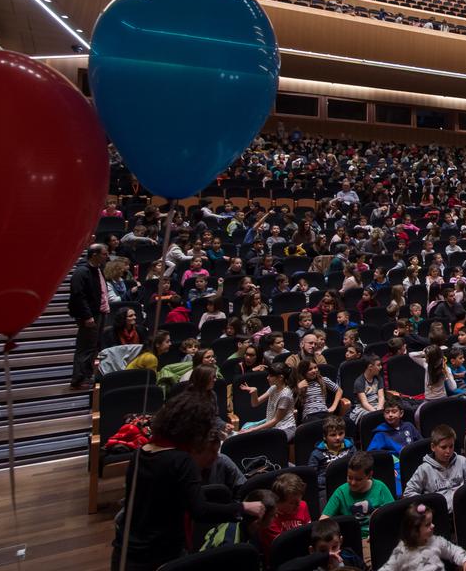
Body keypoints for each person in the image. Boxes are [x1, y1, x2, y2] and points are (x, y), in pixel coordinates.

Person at [111, 392, 266, 571]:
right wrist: (243, 508)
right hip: (160, 554)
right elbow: (199, 510)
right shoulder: (181, 460)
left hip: (127, 549)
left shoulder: (142, 452)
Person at [382, 502, 466, 571]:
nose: (433, 526)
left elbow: (454, 551)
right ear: (414, 530)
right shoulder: (402, 551)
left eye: (431, 522)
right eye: (427, 525)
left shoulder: (435, 541)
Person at [404, 425, 466, 511]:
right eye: (443, 447)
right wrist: (428, 504)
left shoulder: (461, 461)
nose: (448, 451)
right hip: (439, 515)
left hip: (464, 509)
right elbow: (408, 493)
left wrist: (465, 493)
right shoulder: (424, 469)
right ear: (433, 447)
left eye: (451, 446)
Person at [321, 451, 394, 540]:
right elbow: (323, 521)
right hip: (351, 539)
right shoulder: (341, 492)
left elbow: (392, 517)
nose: (353, 483)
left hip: (377, 537)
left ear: (369, 475)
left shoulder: (380, 488)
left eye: (358, 479)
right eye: (349, 477)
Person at [70, 243, 110, 388]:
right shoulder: (82, 272)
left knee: (93, 347)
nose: (107, 257)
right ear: (94, 254)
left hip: (99, 313)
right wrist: (87, 316)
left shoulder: (97, 270)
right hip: (90, 315)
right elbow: (78, 296)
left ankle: (87, 376)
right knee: (85, 348)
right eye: (104, 254)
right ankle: (78, 379)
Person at [238, 362, 297, 438]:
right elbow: (255, 403)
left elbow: (276, 420)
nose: (267, 377)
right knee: (246, 431)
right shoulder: (273, 388)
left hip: (285, 429)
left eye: (270, 375)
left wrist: (253, 430)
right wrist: (254, 392)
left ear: (280, 377)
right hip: (274, 425)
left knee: (253, 436)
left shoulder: (285, 395)